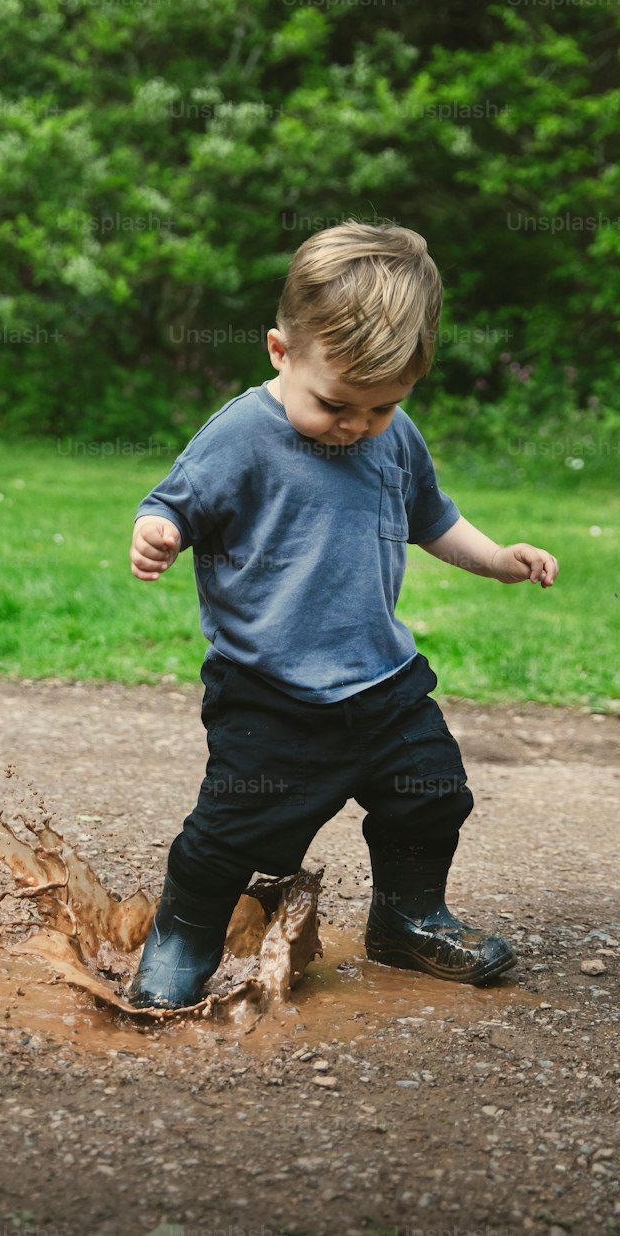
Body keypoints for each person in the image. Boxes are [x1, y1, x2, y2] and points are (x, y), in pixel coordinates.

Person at [127, 220, 559, 1009]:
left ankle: (408, 918)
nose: (358, 424)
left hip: (383, 680)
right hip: (269, 690)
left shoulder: (393, 437)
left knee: (434, 793)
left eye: (384, 406)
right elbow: (172, 505)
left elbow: (433, 518)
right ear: (279, 352)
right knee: (234, 832)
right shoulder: (241, 437)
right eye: (336, 404)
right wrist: (158, 533)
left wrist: (497, 557)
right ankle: (183, 934)